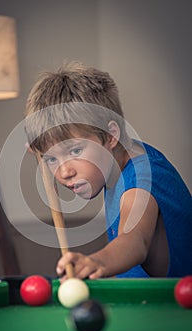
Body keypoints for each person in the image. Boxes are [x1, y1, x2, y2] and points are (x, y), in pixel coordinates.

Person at [24, 61, 192, 279]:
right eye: (51, 159)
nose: (64, 173)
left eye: (75, 151)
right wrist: (46, 148)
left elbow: (135, 239)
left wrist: (97, 261)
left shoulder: (142, 180)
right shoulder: (120, 159)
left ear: (111, 134)